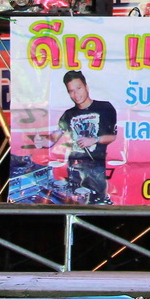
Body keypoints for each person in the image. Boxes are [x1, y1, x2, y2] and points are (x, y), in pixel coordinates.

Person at [51, 70, 118, 204]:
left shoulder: (105, 108)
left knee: (96, 203)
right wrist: (41, 140)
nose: (76, 94)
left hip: (96, 168)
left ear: (86, 87)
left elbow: (113, 136)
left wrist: (94, 140)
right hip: (74, 168)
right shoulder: (68, 114)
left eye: (79, 88)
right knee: (74, 203)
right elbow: (54, 137)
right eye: (71, 91)